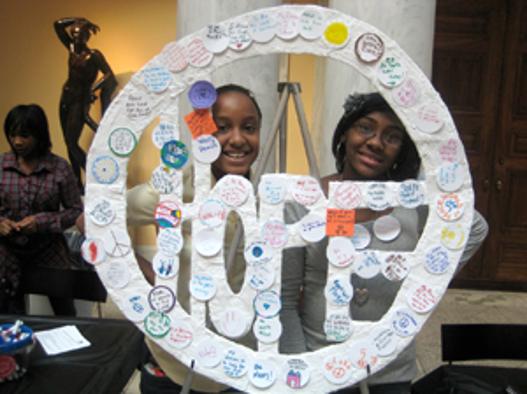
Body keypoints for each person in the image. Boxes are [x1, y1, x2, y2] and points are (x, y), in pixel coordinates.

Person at [280, 93, 489, 393]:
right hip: (321, 365)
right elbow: (285, 301)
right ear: (344, 134)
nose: (376, 142)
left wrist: (426, 282)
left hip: (389, 371)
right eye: (365, 128)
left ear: (402, 149)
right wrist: (300, 370)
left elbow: (475, 227)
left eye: (393, 137)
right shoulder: (304, 202)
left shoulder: (412, 201)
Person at [125, 84, 262, 393]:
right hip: (175, 364)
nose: (238, 139)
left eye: (249, 128)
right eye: (222, 128)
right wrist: (143, 273)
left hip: (241, 364)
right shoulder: (176, 189)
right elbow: (99, 218)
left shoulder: (267, 196)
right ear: (203, 135)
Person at [0, 104, 83, 315]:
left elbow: (75, 210)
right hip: (7, 254)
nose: (17, 141)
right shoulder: (1, 165)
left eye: (24, 135)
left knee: (65, 314)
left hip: (49, 250)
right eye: (12, 135)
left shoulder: (59, 167)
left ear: (39, 134)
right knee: (11, 319)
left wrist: (41, 222)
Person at [54, 17, 117, 192]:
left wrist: (93, 89)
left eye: (79, 34)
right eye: (73, 34)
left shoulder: (94, 55)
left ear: (86, 36)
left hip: (79, 100)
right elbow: (58, 25)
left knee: (72, 142)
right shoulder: (72, 49)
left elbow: (109, 75)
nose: (75, 38)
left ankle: (93, 176)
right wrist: (79, 20)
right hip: (65, 96)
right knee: (68, 142)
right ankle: (77, 184)